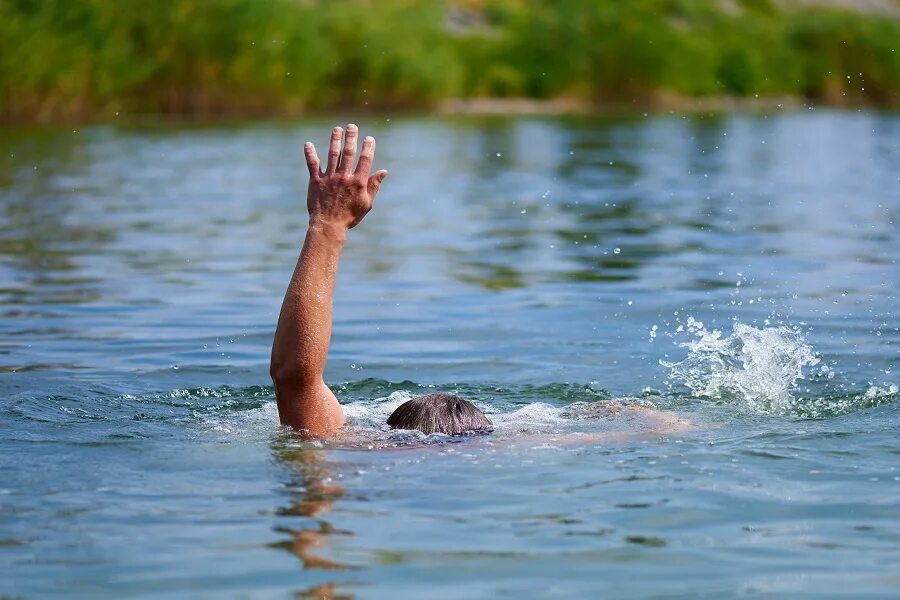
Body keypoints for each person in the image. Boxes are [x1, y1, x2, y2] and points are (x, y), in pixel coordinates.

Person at [270, 125, 688, 440]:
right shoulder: (523, 444)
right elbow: (654, 425)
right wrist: (654, 420)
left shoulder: (363, 450)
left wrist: (328, 225)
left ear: (387, 435)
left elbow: (295, 378)